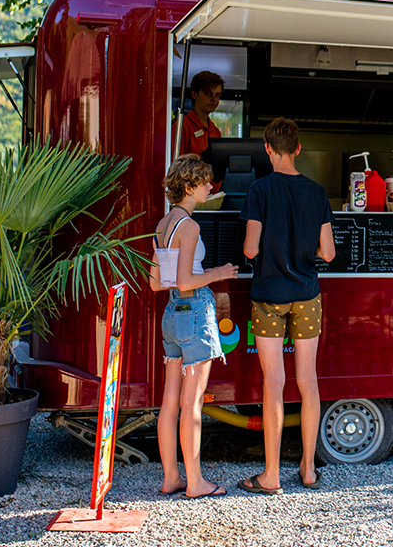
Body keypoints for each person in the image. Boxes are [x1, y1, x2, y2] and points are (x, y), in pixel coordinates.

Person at [238, 118, 335, 494]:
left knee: (274, 383)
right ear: (297, 149)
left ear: (267, 148)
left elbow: (250, 249)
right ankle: (308, 470)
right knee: (308, 382)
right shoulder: (317, 191)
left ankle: (272, 476)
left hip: (268, 296)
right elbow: (328, 253)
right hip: (307, 294)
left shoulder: (259, 189)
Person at [149, 154, 239, 498]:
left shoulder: (163, 224)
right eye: (204, 182)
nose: (210, 187)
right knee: (193, 403)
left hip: (171, 313)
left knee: (169, 401)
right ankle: (197, 482)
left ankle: (171, 478)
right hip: (195, 311)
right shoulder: (190, 227)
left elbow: (156, 282)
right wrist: (219, 273)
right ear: (188, 186)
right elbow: (188, 280)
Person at [175, 71, 225, 158]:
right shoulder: (181, 128)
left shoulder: (216, 131)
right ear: (194, 94)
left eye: (217, 95)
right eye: (208, 94)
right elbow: (175, 163)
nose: (213, 99)